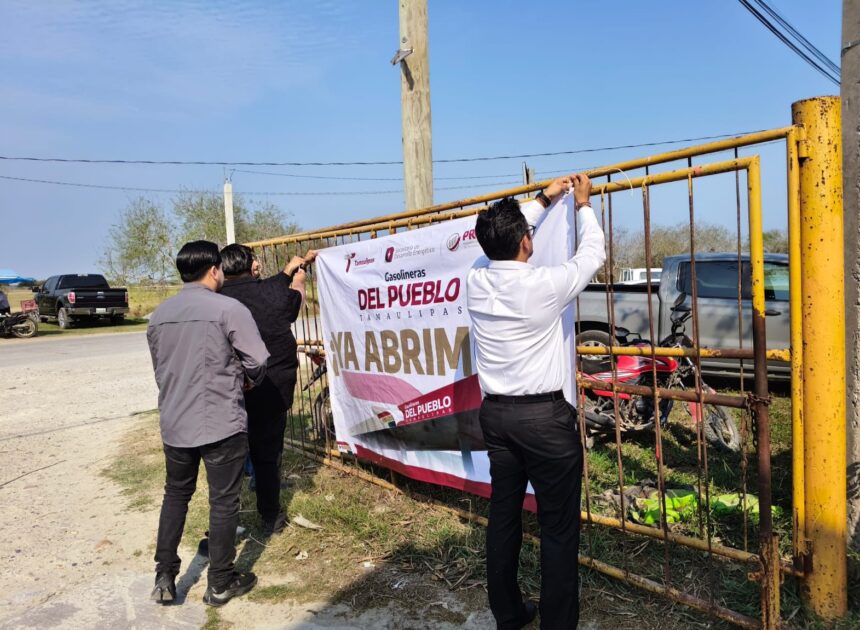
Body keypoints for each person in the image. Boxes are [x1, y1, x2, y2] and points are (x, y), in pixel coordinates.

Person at [467, 174, 605, 629]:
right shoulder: (544, 285)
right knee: (558, 531)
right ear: (528, 243)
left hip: (497, 417)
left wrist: (544, 199)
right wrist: (581, 205)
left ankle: (508, 615)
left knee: (504, 515)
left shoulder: (475, 277)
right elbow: (592, 255)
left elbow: (502, 235)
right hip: (544, 420)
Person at [147, 240, 270, 607]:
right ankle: (219, 582)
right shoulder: (229, 309)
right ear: (215, 269)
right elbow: (259, 360)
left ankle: (165, 574)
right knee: (223, 501)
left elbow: (161, 370)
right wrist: (247, 380)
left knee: (176, 495)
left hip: (175, 422)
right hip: (220, 423)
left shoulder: (159, 315)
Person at [219, 243, 317, 534]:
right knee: (268, 451)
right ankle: (270, 517)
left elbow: (270, 286)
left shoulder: (216, 299)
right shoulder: (271, 294)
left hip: (227, 389)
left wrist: (291, 268)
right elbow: (292, 300)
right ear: (252, 264)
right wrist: (299, 277)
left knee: (227, 456)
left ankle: (226, 521)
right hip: (269, 386)